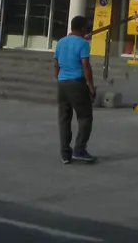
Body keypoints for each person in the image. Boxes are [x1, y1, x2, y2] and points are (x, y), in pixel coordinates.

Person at [53, 15, 96, 164]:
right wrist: (91, 86)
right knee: (85, 117)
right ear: (83, 28)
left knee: (64, 119)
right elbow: (85, 65)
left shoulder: (60, 42)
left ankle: (65, 154)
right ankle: (79, 149)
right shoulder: (83, 44)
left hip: (62, 83)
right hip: (77, 83)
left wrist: (57, 79)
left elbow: (55, 63)